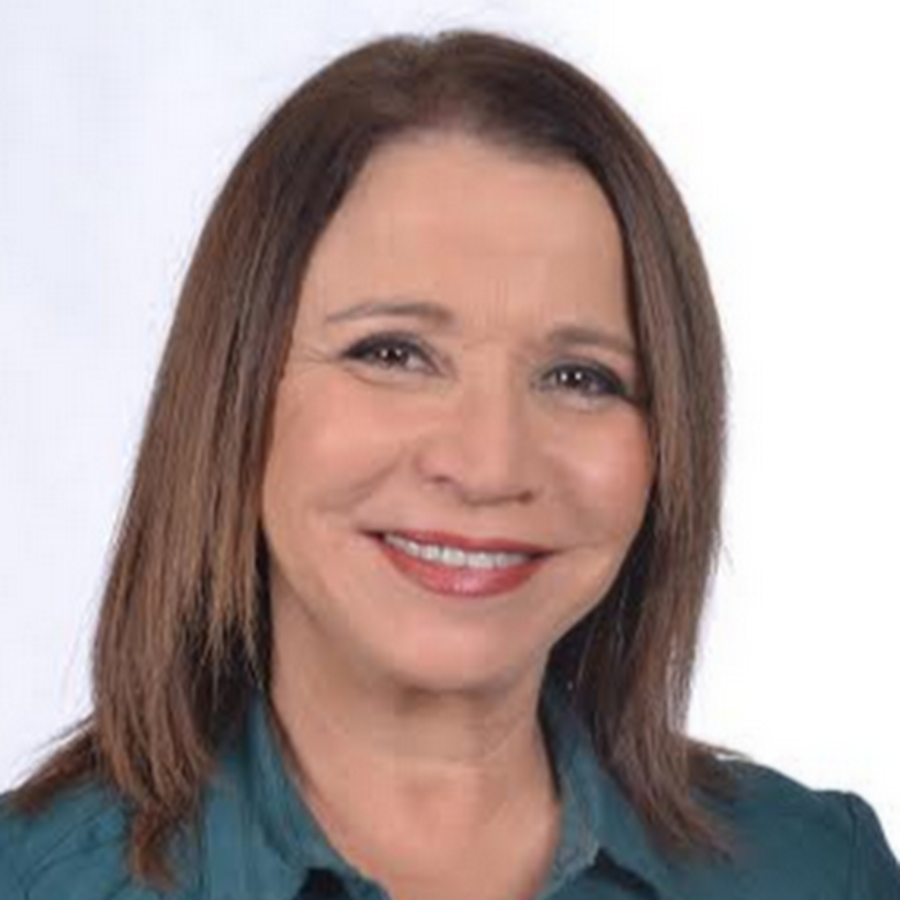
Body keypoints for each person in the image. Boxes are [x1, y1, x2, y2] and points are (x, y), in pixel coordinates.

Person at [1, 27, 897, 900]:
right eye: (393, 353)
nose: (487, 463)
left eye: (580, 376)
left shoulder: (822, 874)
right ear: (234, 392)